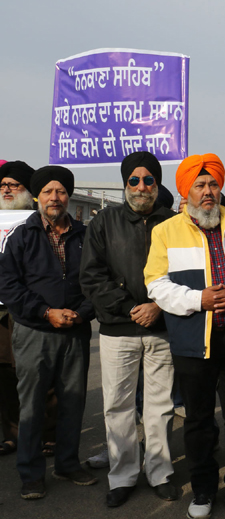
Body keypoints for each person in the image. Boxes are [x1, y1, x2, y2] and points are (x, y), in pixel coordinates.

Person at [144, 153, 225, 519]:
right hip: (192, 340)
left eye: (213, 184)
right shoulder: (165, 231)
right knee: (199, 419)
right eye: (199, 185)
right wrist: (198, 299)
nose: (207, 192)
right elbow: (155, 283)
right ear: (185, 192)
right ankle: (202, 489)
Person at [79, 151, 178, 507]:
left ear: (158, 183)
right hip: (118, 329)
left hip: (162, 328)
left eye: (148, 180)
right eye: (134, 180)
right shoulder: (103, 222)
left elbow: (184, 278)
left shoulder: (175, 223)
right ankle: (122, 476)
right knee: (118, 406)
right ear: (124, 184)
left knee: (160, 406)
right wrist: (130, 308)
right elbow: (91, 275)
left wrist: (158, 307)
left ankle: (160, 471)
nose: (141, 187)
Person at [0, 166, 97, 499]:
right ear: (37, 196)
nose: (54, 198)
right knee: (32, 404)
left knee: (72, 402)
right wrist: (46, 312)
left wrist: (80, 314)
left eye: (60, 192)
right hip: (34, 332)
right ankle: (30, 473)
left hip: (76, 331)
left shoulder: (86, 234)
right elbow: (9, 285)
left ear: (68, 196)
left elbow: (96, 282)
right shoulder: (21, 236)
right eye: (47, 192)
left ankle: (68, 464)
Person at [0, 160, 35, 458]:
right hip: (1, 312)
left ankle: (47, 436)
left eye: (15, 185)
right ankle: (12, 434)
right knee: (6, 377)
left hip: (29, 308)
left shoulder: (37, 221)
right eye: (3, 185)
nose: (8, 190)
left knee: (37, 373)